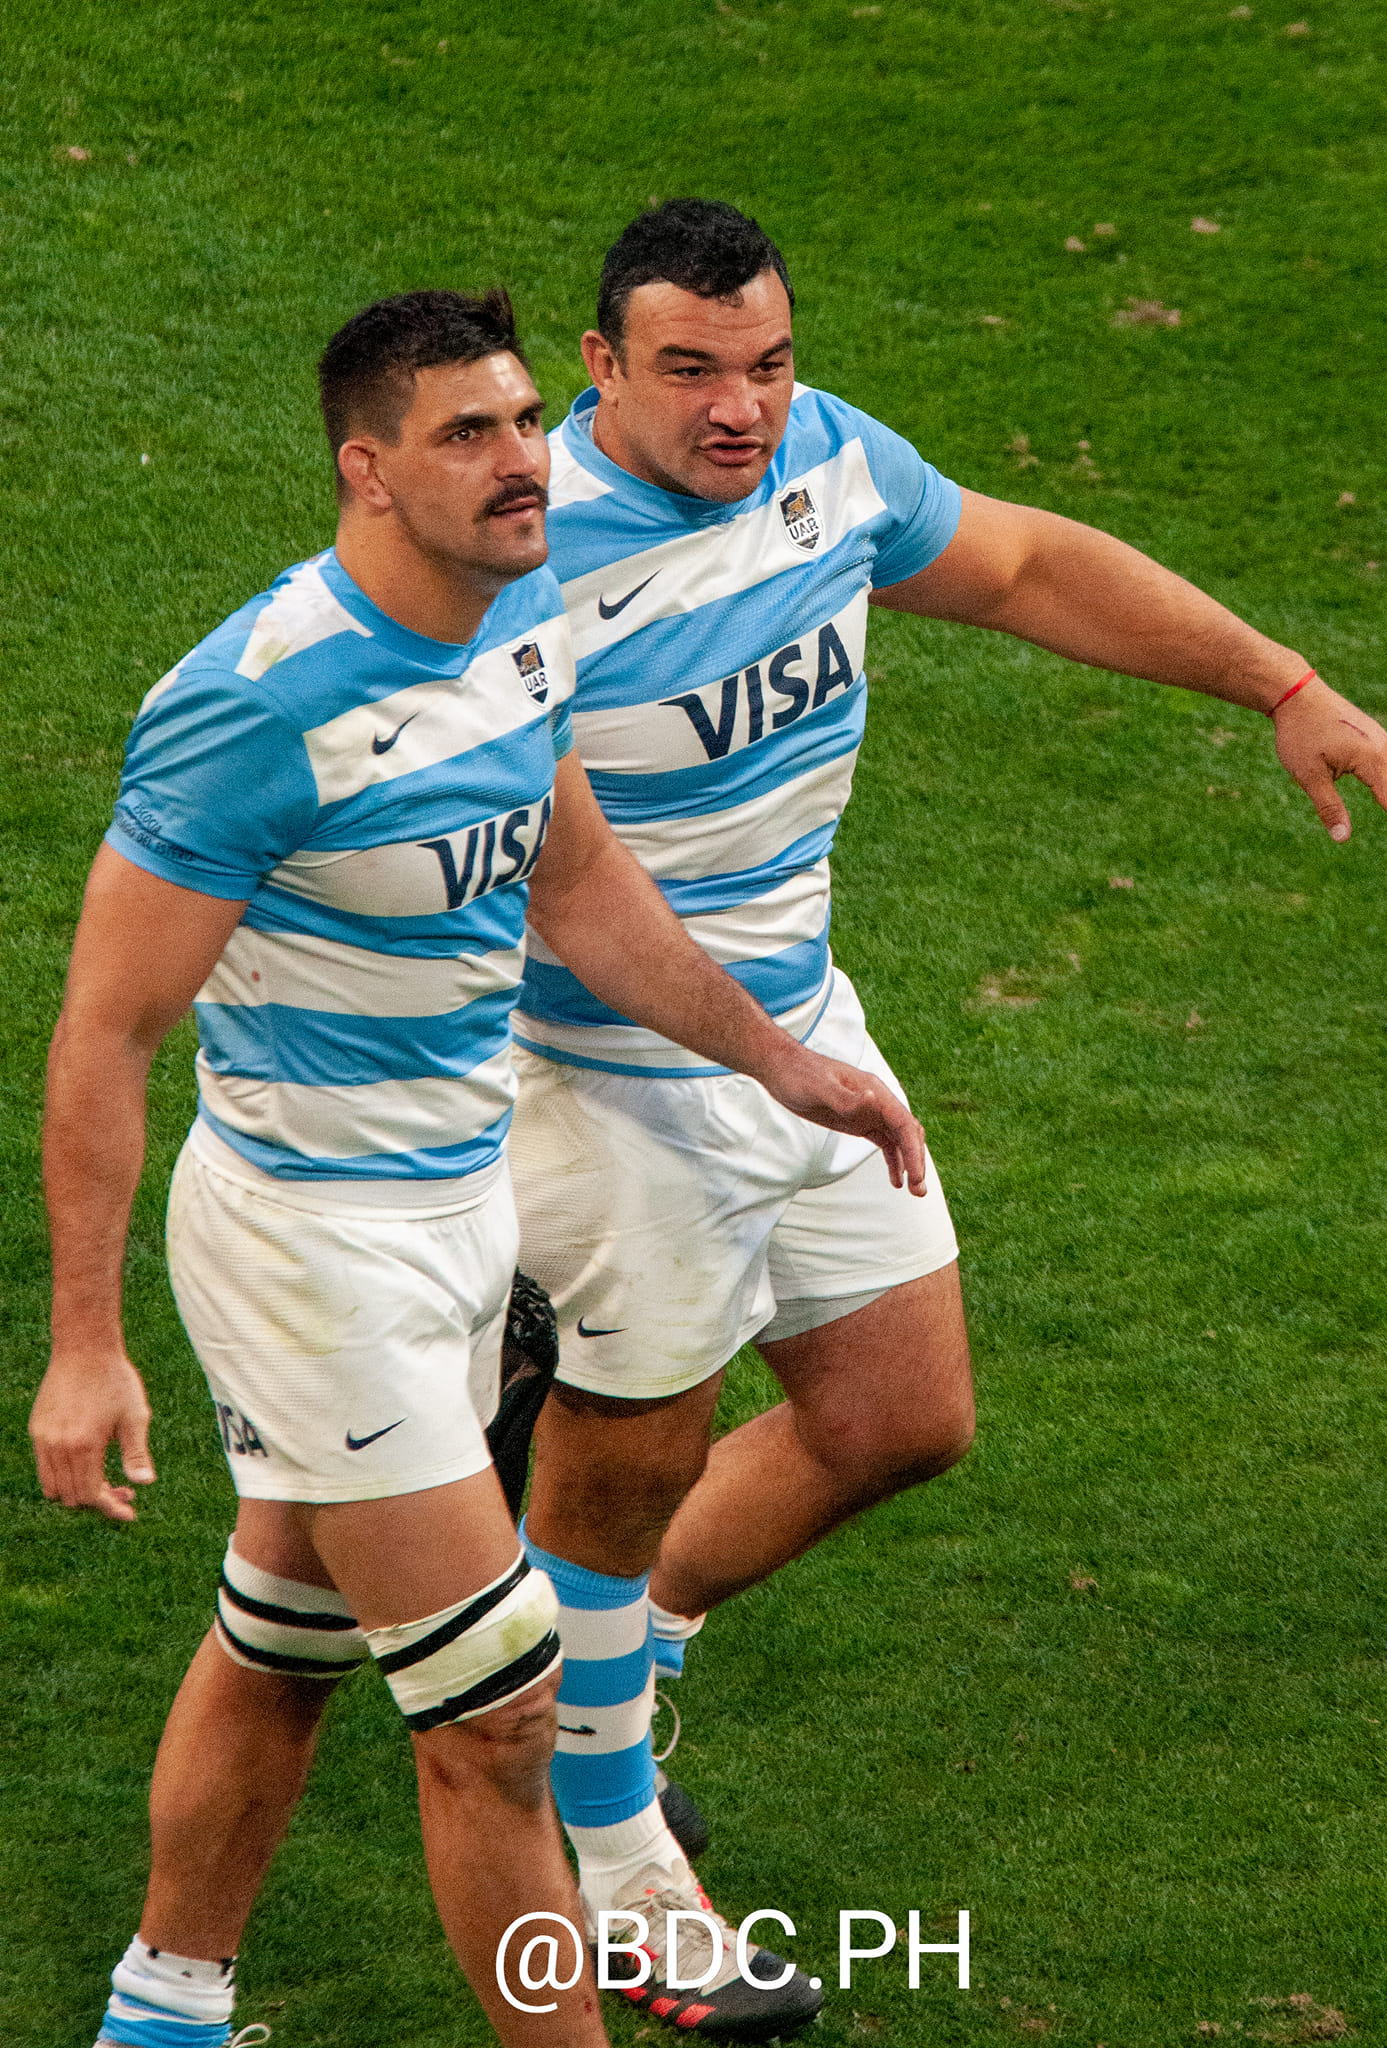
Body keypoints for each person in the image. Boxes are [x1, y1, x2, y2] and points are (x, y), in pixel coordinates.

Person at [507, 199, 1387, 2032]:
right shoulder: (517, 557)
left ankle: (590, 1685)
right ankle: (611, 1864)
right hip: (604, 1077)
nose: (740, 408)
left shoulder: (829, 463)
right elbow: (536, 881)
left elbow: (1015, 567)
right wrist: (759, 1060)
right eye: (688, 370)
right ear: (598, 370)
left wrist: (1286, 684)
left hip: (798, 1034)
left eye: (764, 363)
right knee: (621, 1472)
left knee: (898, 1418)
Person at [27, 287, 925, 2048]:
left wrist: (784, 1063)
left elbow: (579, 886)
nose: (526, 464)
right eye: (469, 435)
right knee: (499, 1718)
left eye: (524, 423)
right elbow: (105, 1031)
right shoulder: (255, 711)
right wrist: (82, 1342)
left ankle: (165, 2009)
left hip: (462, 1212)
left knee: (284, 1637)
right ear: (367, 472)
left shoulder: (522, 630)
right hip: (314, 1246)